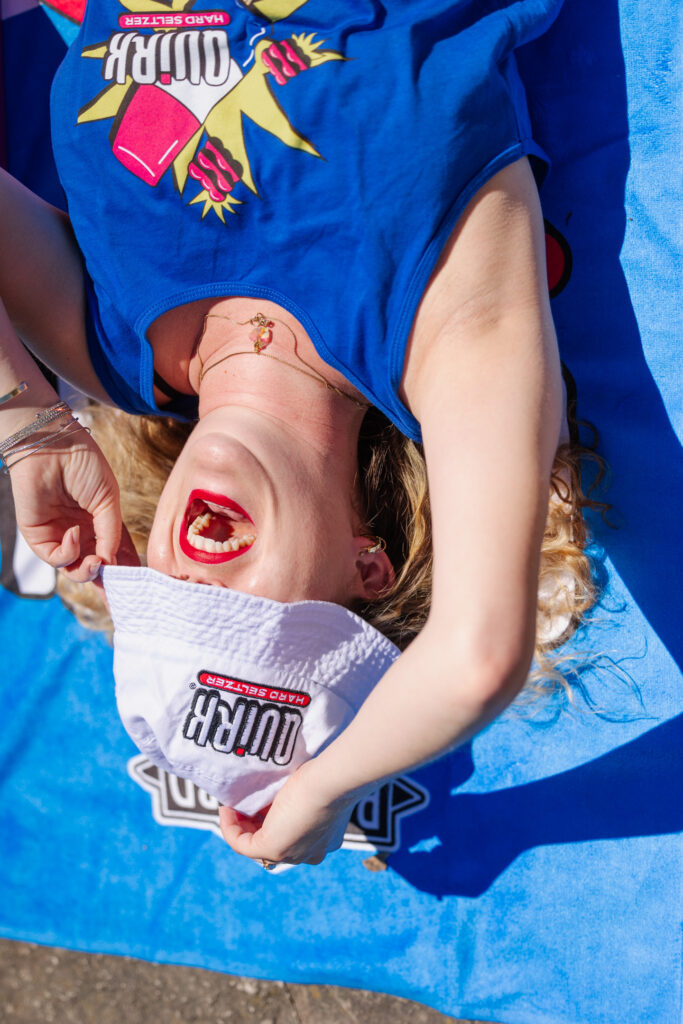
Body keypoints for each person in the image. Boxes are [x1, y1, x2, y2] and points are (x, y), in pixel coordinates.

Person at [0, 0, 599, 865]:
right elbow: (477, 655)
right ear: (365, 566)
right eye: (236, 628)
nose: (198, 586)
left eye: (170, 609)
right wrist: (321, 792)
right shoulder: (439, 337)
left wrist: (29, 428)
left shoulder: (111, 353)